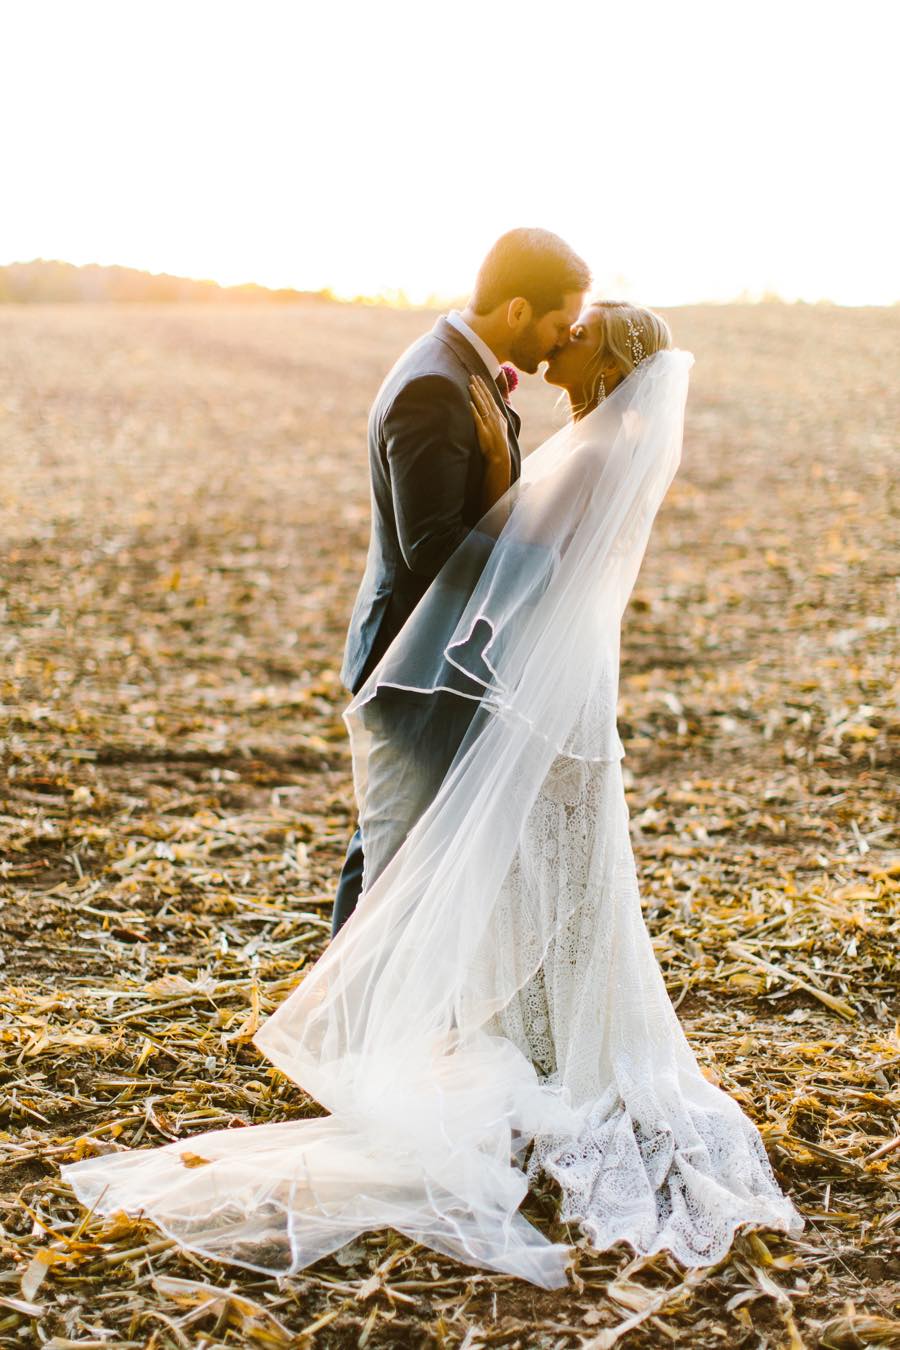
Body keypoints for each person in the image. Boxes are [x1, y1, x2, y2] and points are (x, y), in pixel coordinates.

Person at [61, 300, 803, 1290]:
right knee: (556, 884)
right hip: (562, 692)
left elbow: (498, 558)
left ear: (605, 360)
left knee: (532, 877)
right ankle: (549, 1053)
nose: (560, 341)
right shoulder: (602, 438)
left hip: (547, 702)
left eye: (579, 333)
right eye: (561, 321)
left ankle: (527, 1060)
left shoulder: (589, 450)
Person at [332, 228, 590, 935]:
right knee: (389, 864)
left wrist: (502, 484)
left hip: (436, 657)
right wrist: (532, 545)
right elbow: (430, 549)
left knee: (390, 850)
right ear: (515, 310)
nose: (560, 340)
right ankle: (345, 1032)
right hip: (409, 661)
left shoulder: (456, 370)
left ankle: (347, 1028)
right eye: (557, 323)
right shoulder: (433, 388)